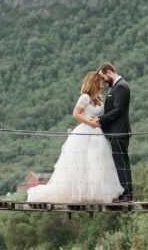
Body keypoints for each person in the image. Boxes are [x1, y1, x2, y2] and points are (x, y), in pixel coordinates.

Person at [26, 72, 124, 204]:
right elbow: (76, 114)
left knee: (96, 162)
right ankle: (81, 193)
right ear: (93, 81)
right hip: (86, 132)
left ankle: (95, 193)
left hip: (98, 135)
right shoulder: (85, 97)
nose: (103, 81)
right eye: (100, 80)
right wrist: (91, 123)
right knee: (83, 163)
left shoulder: (99, 98)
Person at [93, 62, 133, 202]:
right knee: (118, 163)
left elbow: (118, 110)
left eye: (103, 77)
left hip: (119, 132)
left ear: (109, 72)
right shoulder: (115, 87)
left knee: (121, 163)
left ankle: (127, 194)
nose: (103, 81)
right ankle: (124, 192)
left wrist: (100, 119)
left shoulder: (121, 86)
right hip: (115, 132)